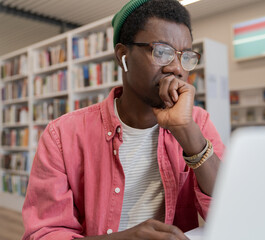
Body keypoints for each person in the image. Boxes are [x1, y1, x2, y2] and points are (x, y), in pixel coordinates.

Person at [22, 0, 225, 239]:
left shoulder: (197, 123)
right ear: (123, 56)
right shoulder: (62, 136)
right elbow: (44, 234)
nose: (177, 69)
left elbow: (232, 213)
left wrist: (188, 135)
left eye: (185, 56)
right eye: (161, 52)